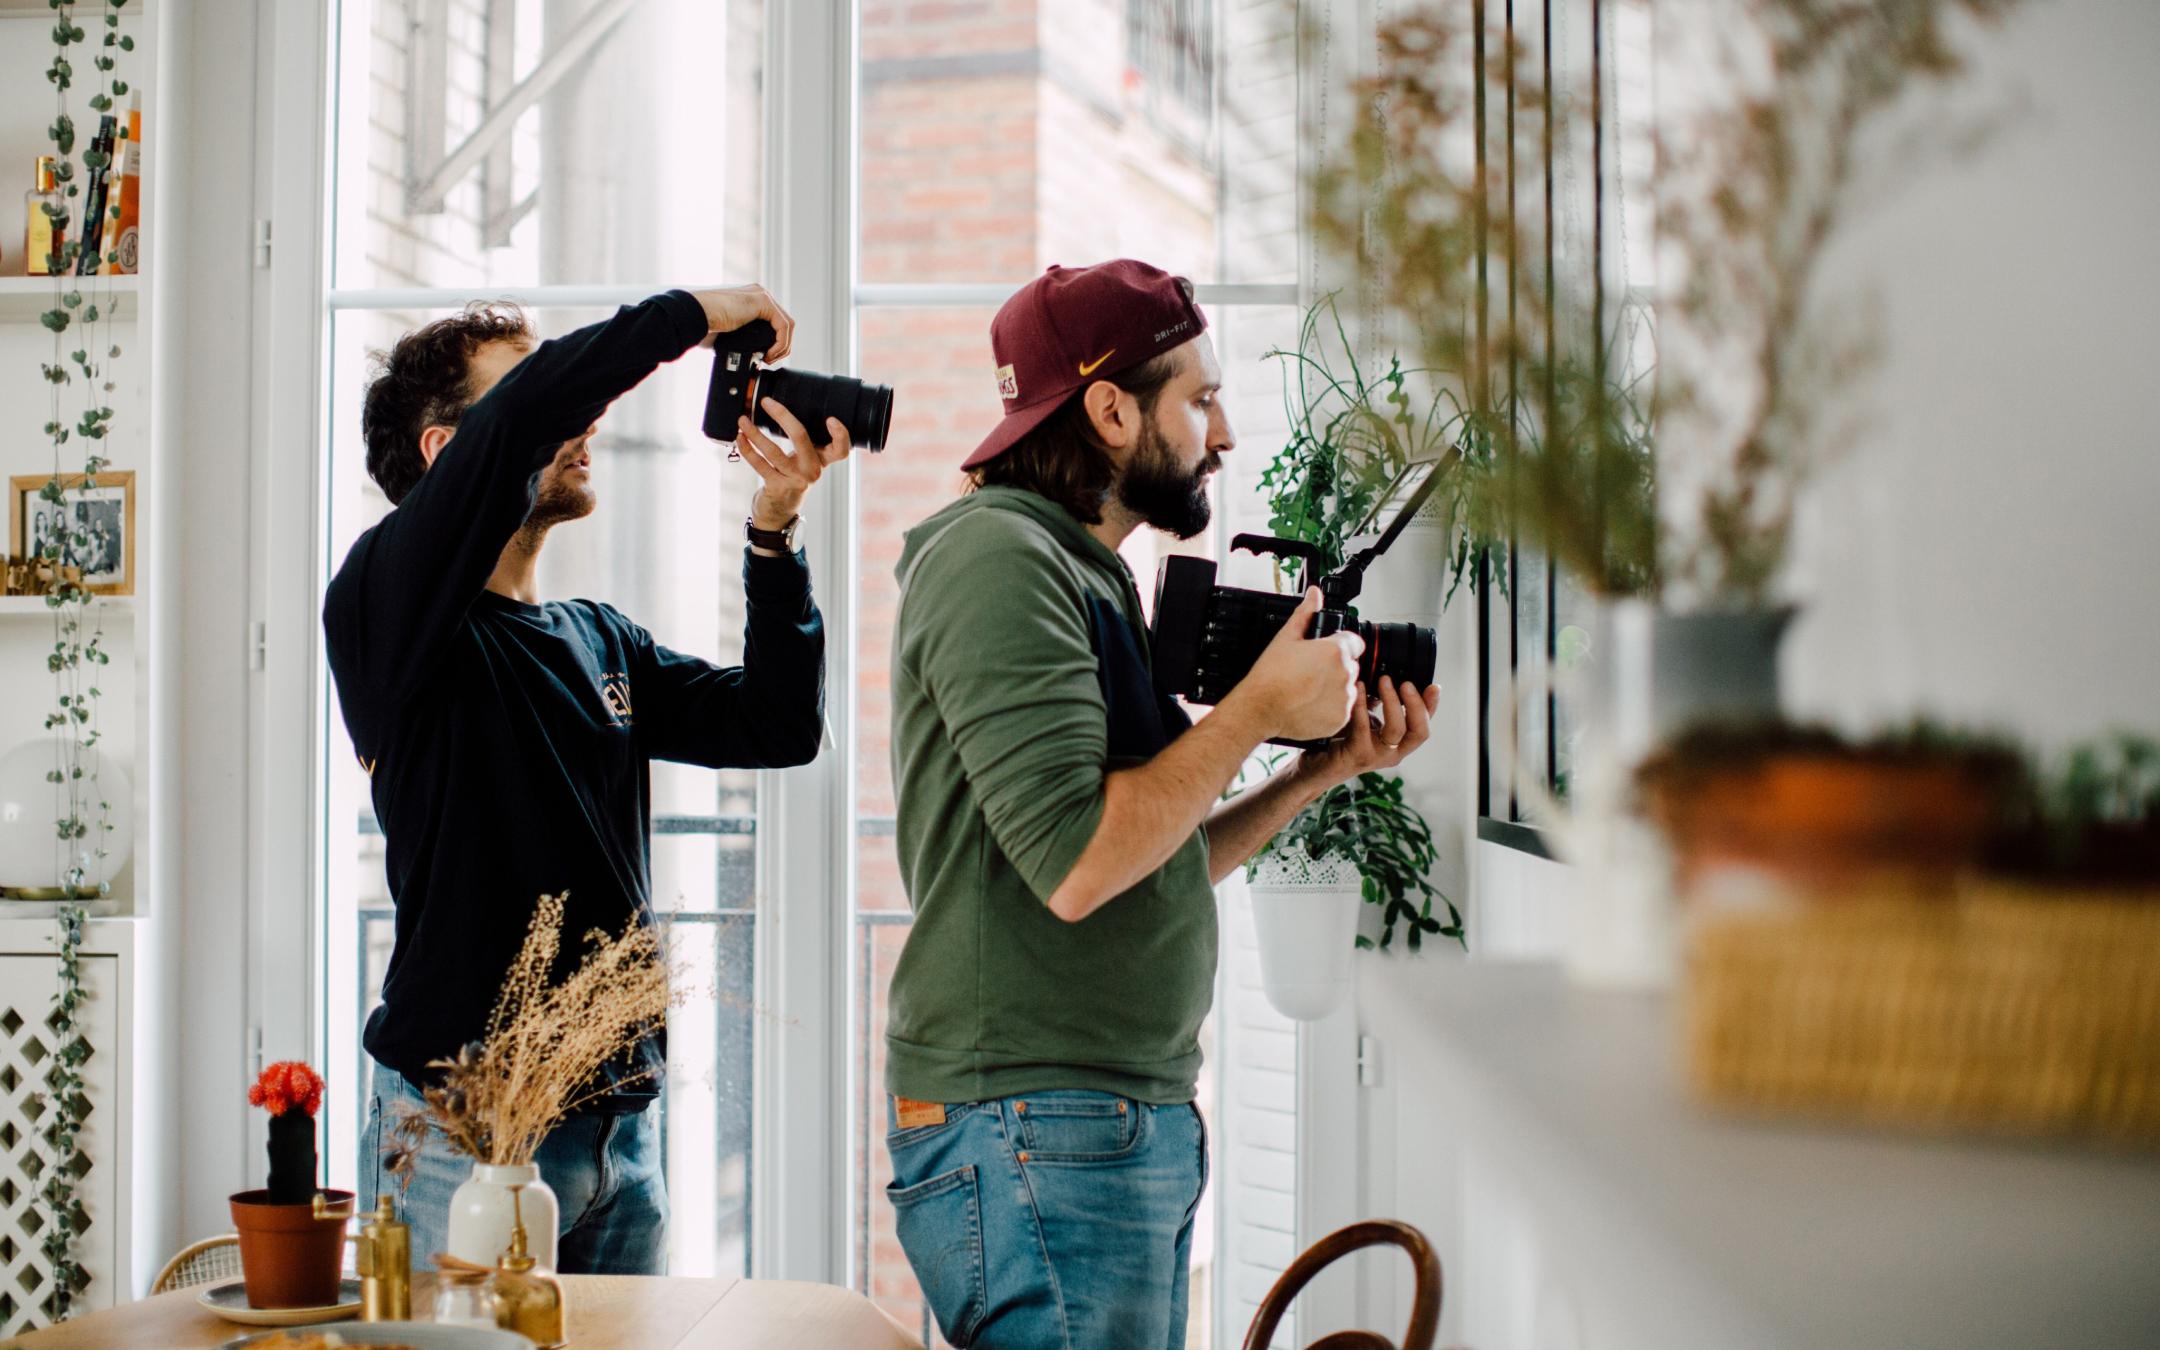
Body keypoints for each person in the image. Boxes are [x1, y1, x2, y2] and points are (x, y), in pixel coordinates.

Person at [882, 259, 1442, 1347]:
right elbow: (1082, 862)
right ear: (1107, 410)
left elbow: (1149, 850)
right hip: (1038, 1118)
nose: (1223, 433)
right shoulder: (999, 558)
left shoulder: (1084, 573)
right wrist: (1254, 710)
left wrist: (1316, 769)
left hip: (1087, 1120)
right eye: (1200, 398)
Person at [324, 286, 847, 1273]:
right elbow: (533, 411)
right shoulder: (384, 608)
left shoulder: (597, 637)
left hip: (616, 1134)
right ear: (450, 455)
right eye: (533, 396)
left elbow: (778, 726)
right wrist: (694, 311)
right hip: (459, 1135)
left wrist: (773, 528)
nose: (584, 421)